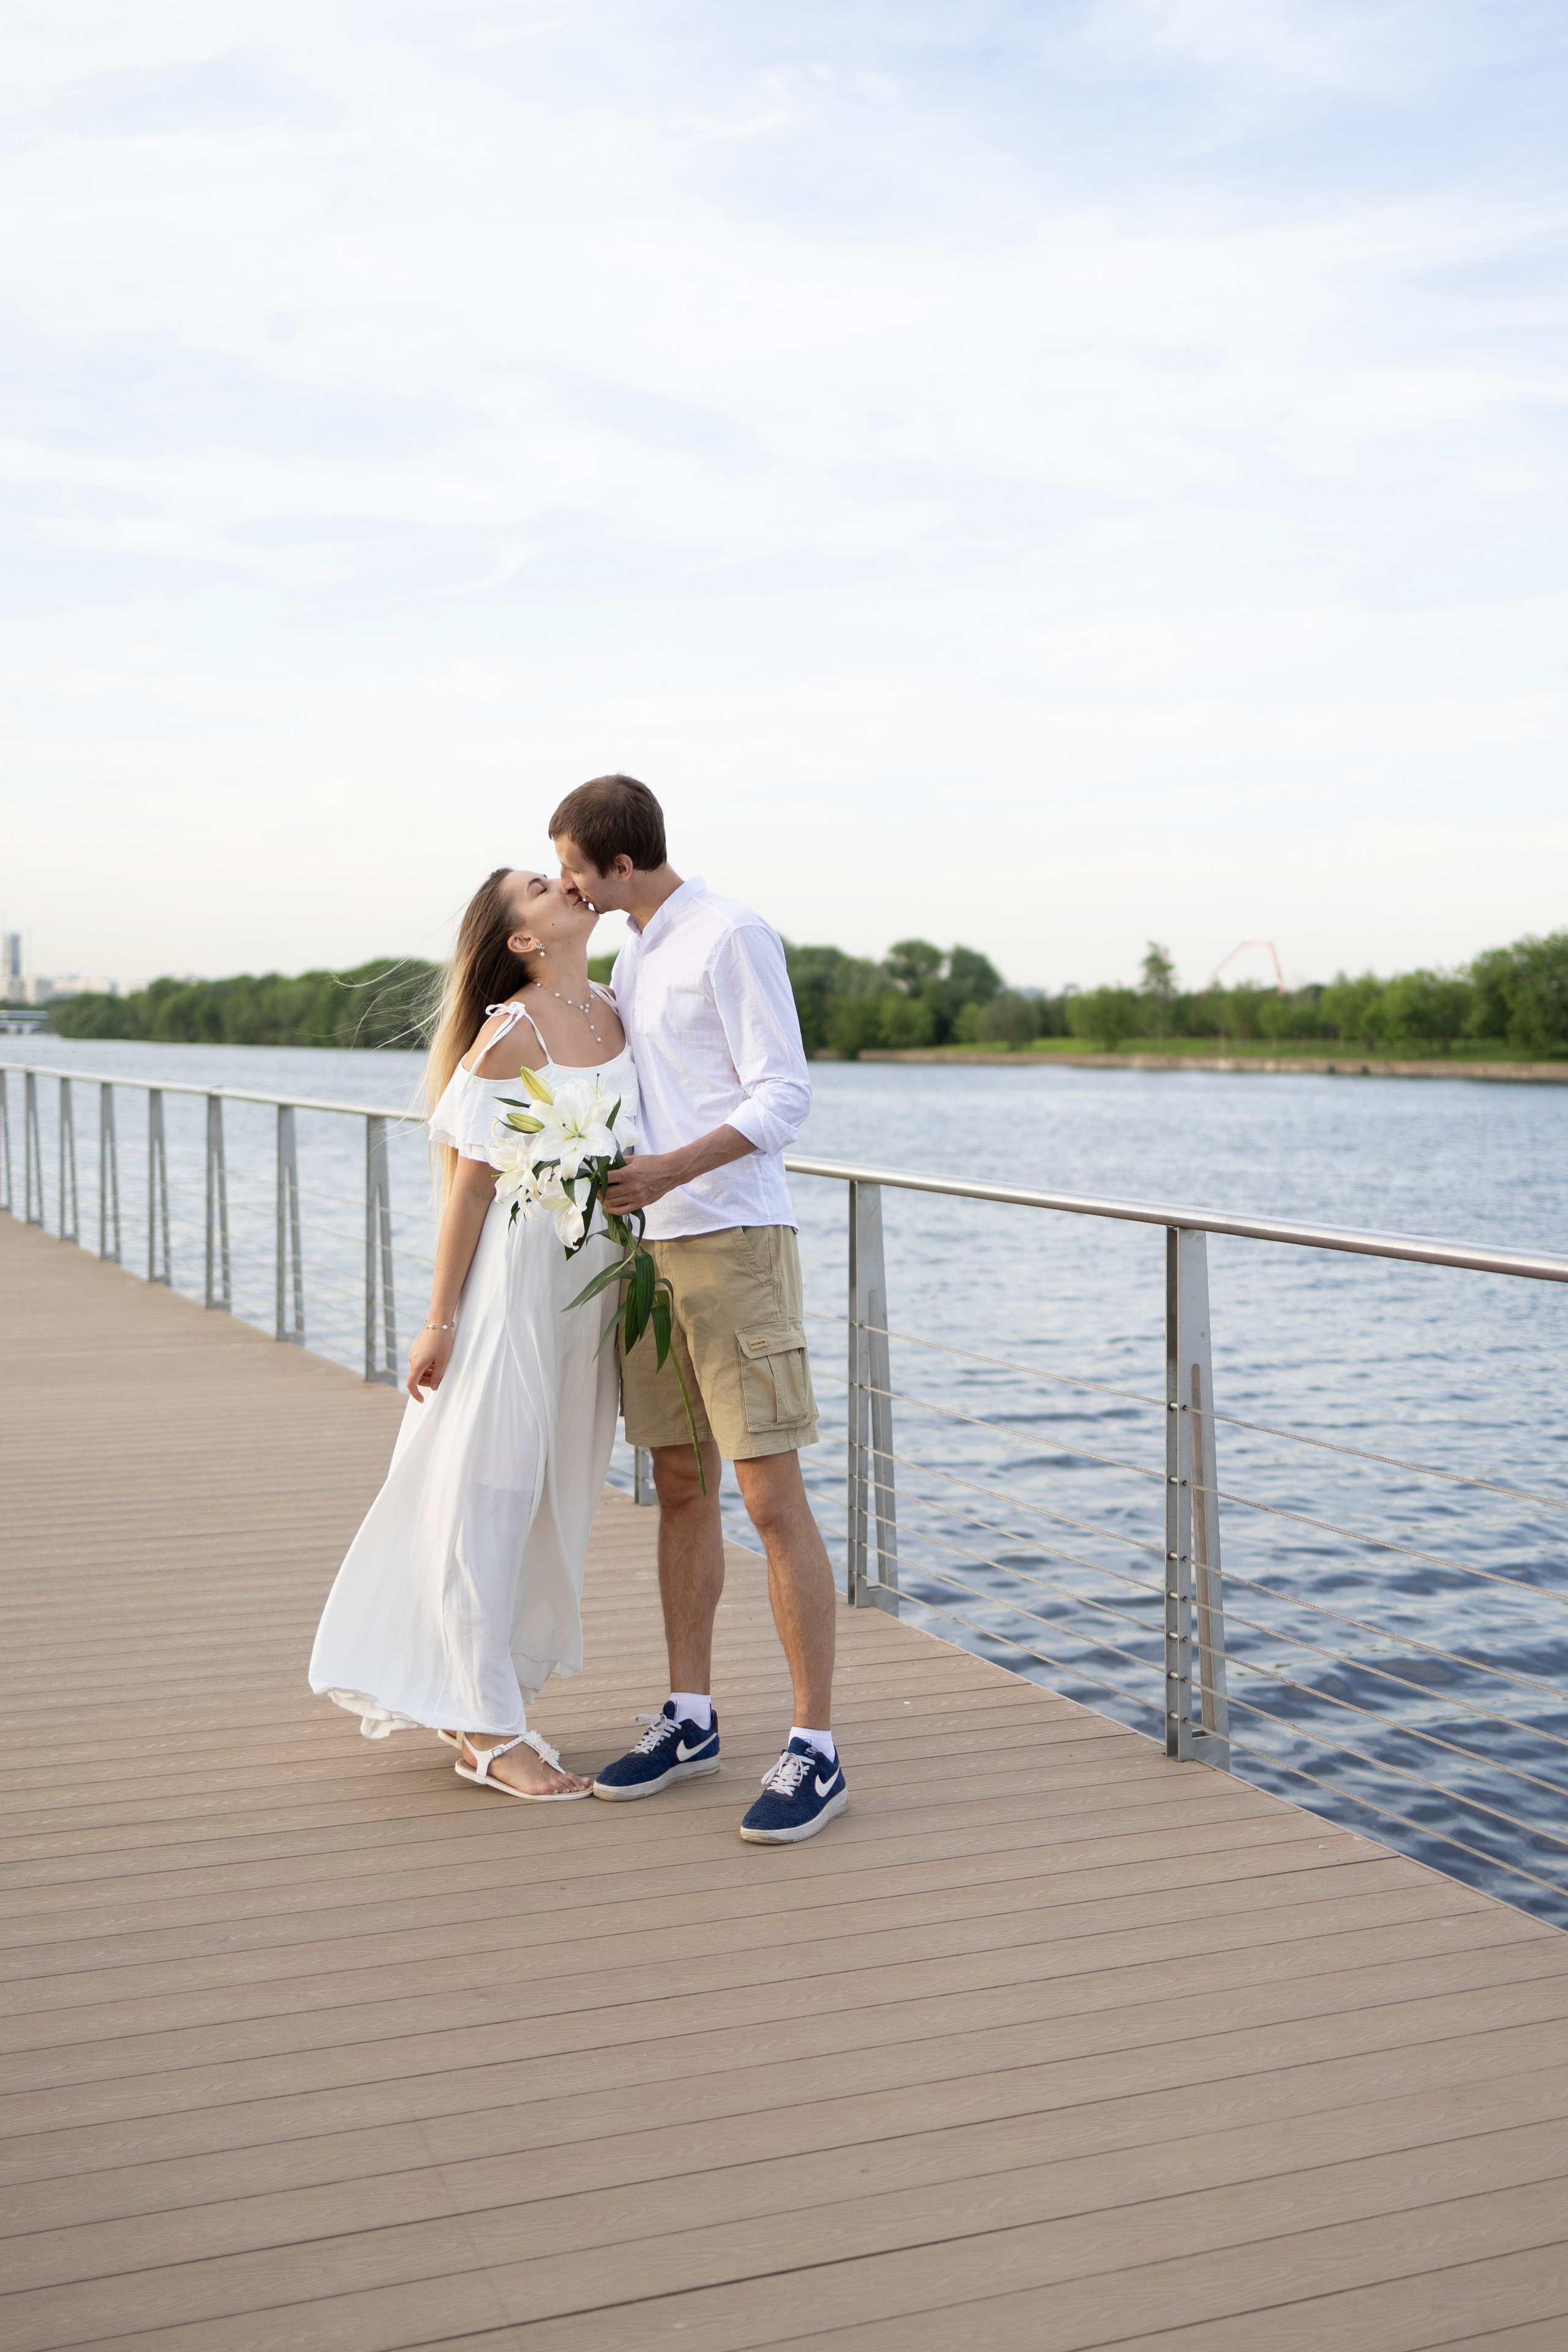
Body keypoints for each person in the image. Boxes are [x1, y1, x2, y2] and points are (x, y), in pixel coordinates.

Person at [551, 774, 847, 1845]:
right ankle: (692, 1716)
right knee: (681, 1484)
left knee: (771, 1500)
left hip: (735, 1244)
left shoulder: (730, 935)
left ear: (618, 863)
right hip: (653, 1255)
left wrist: (672, 1169)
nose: (567, 887)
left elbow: (785, 1096)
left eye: (574, 869)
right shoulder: (634, 951)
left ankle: (816, 1748)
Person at [307, 865, 637, 1801]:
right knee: (486, 1485)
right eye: (540, 887)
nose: (565, 884)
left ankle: (482, 1683)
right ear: (523, 941)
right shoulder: (511, 1034)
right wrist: (438, 1321)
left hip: (587, 1291)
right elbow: (469, 1185)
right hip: (512, 1287)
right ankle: (488, 1731)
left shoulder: (617, 1009)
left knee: (550, 1490)